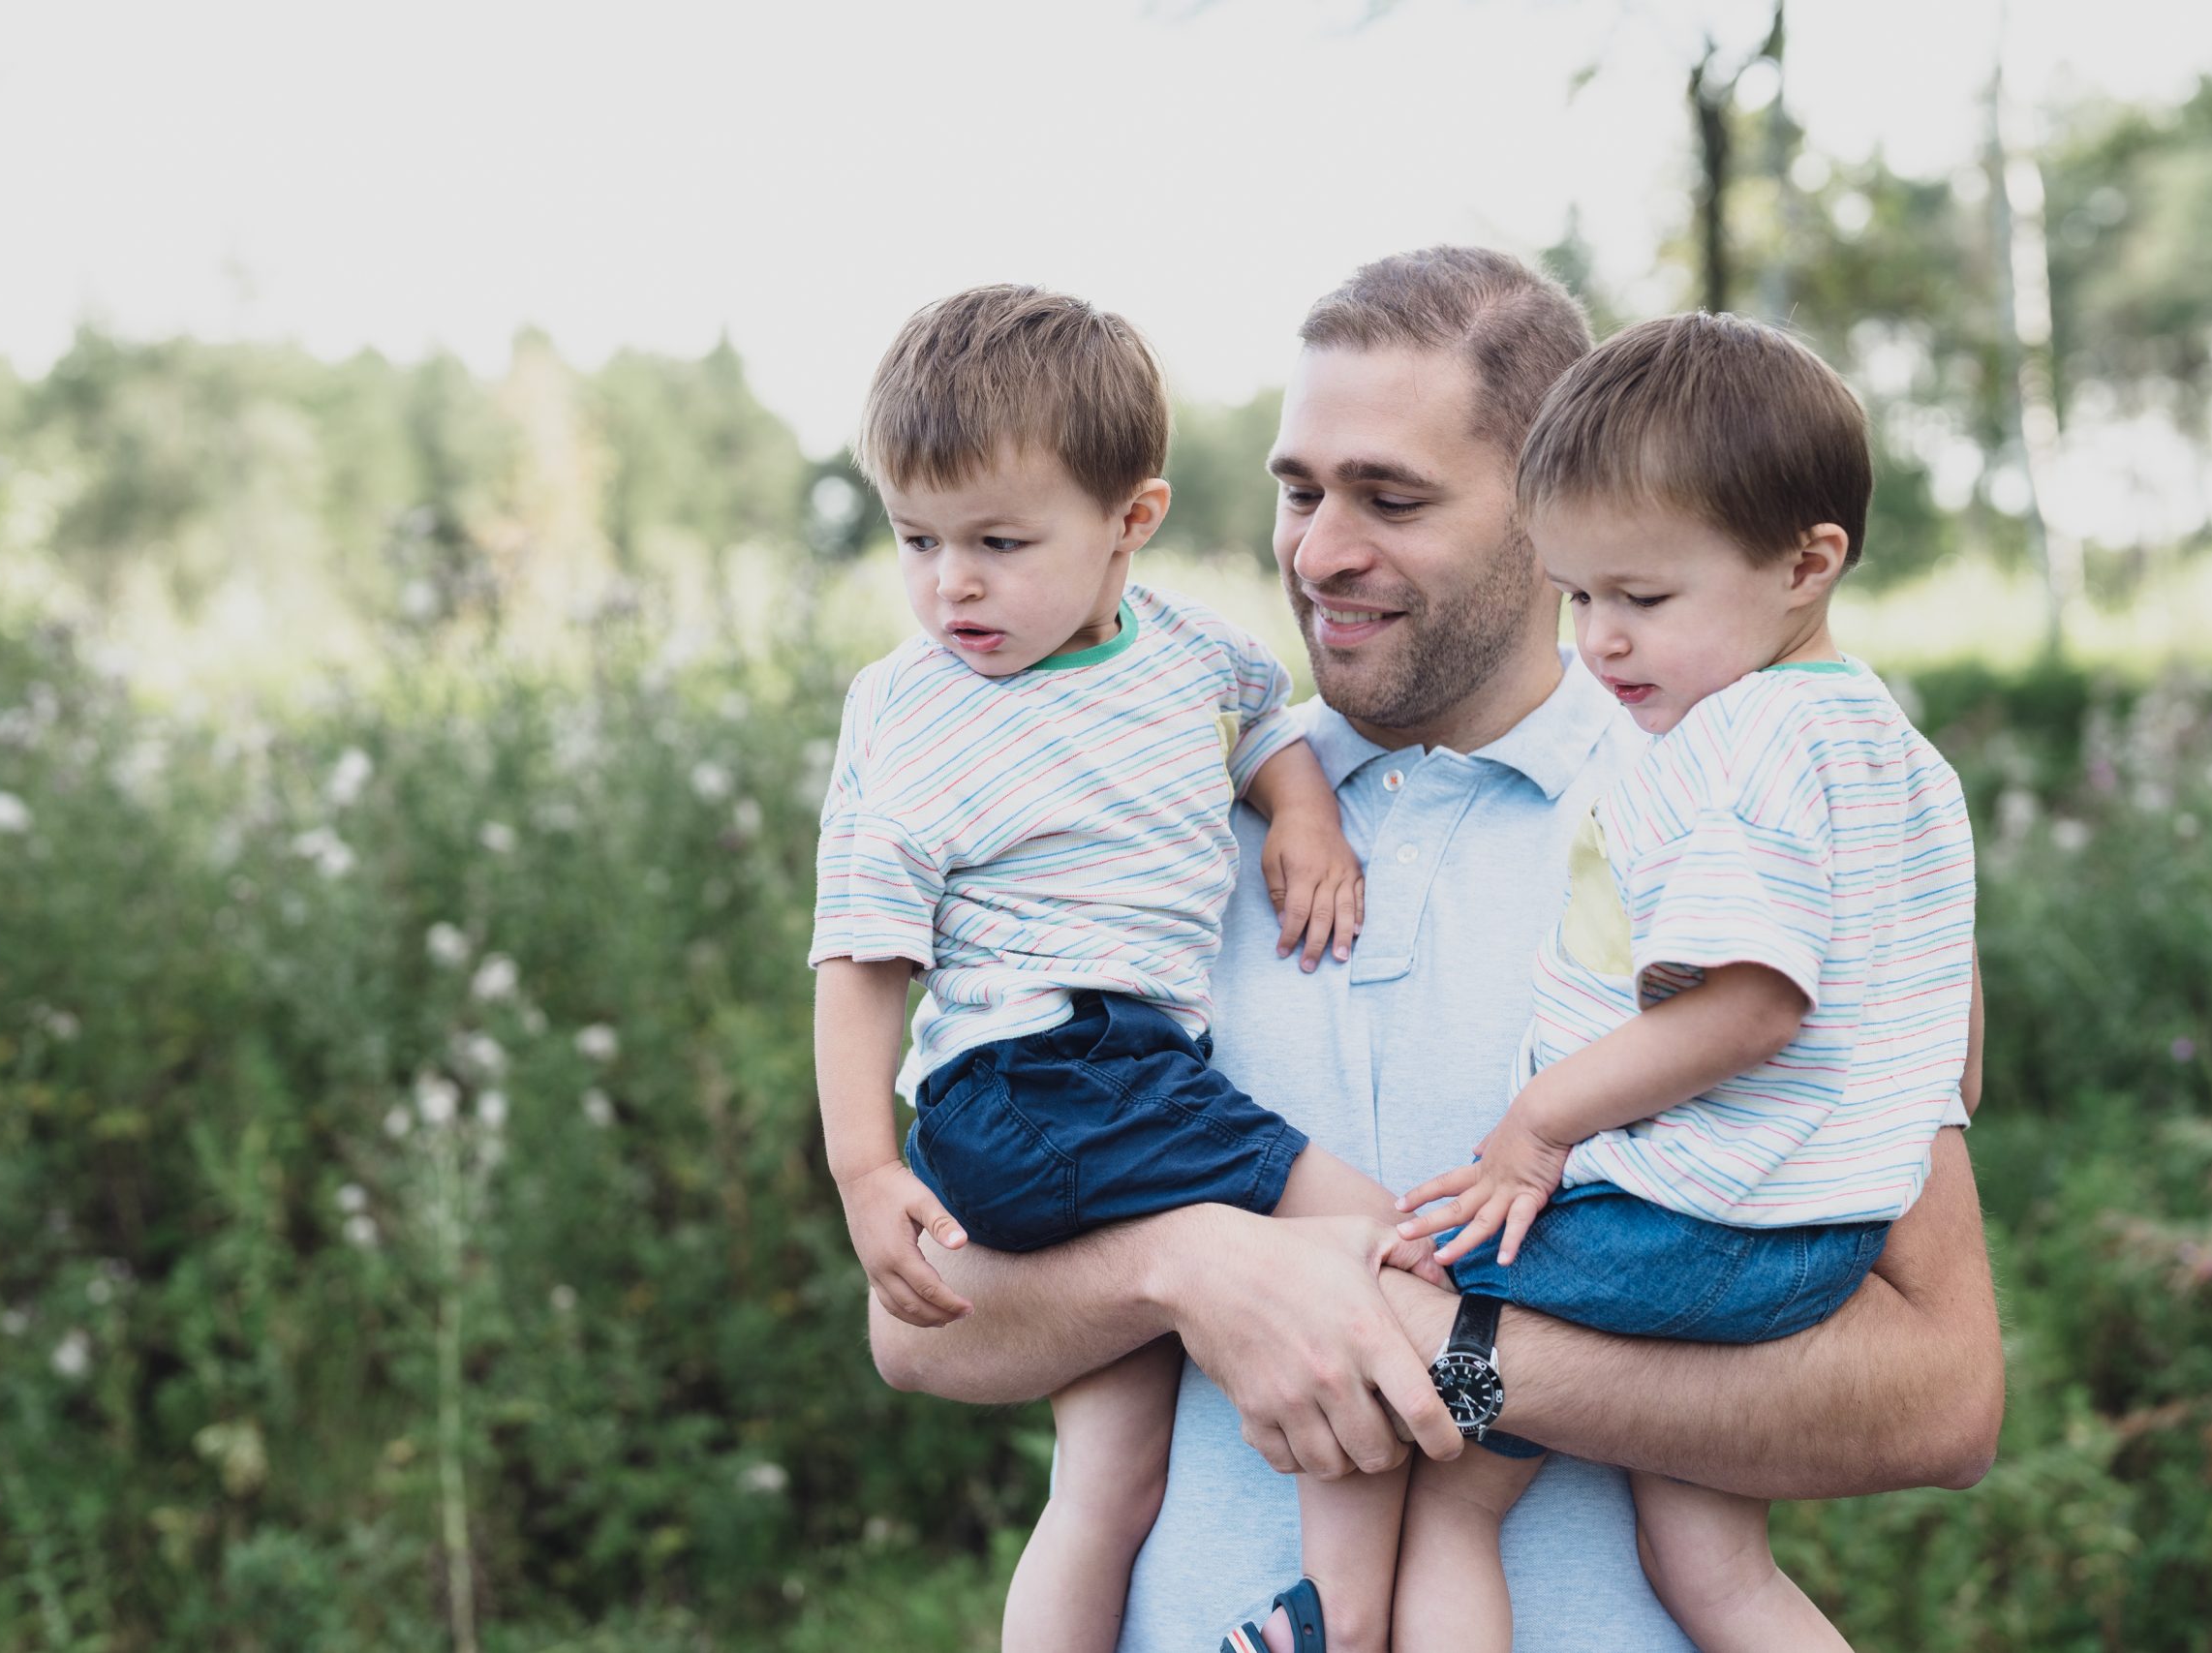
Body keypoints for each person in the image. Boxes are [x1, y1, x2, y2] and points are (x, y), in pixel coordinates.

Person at [866, 246, 2003, 1653]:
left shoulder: (1747, 814)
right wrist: (1186, 1272)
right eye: (1299, 492)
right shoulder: (1146, 827)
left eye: (1390, 499)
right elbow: (918, 1325)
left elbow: (1945, 1396)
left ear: (1550, 513)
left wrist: (1455, 1359)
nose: (1319, 550)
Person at [810, 283, 1446, 1653]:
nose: (950, 585)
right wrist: (868, 1169)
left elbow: (1265, 727)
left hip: (1114, 1077)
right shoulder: (909, 709)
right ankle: (1343, 1620)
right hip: (1040, 1077)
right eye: (915, 539)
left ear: (1130, 524)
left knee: (1107, 1472)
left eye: (997, 541)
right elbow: (863, 957)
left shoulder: (1191, 654)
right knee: (1373, 1248)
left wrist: (1307, 813)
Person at [1381, 311, 1978, 1653]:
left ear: (1806, 562)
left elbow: (1757, 1004)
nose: (1600, 643)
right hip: (1814, 1225)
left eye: (1643, 599)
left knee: (1447, 1477)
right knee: (1710, 1566)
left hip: (1699, 1221)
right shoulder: (1893, 751)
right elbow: (1954, 1045)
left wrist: (1542, 1126)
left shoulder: (1743, 740)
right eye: (1580, 597)